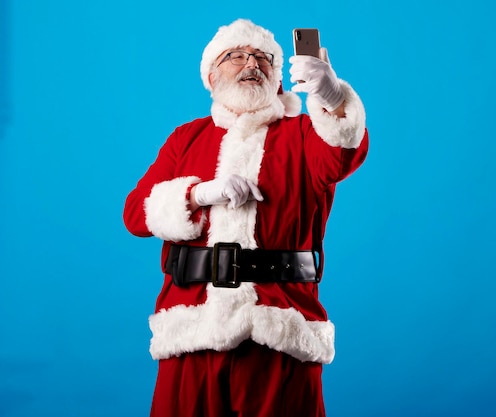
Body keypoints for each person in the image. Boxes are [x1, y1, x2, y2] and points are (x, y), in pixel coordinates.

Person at [123, 18, 368, 417]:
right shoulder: (185, 138)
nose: (251, 63)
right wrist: (198, 194)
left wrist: (333, 96)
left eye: (263, 58)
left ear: (278, 78)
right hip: (191, 327)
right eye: (235, 56)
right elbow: (135, 214)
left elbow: (343, 153)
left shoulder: (306, 133)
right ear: (211, 75)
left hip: (279, 329)